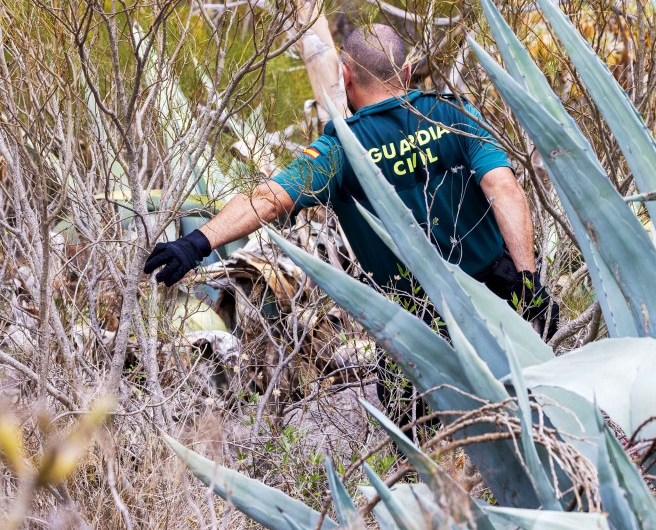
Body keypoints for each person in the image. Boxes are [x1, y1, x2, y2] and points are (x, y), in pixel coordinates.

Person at [144, 24, 558, 426]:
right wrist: (526, 279)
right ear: (409, 72)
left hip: (415, 327)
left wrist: (197, 241)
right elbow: (502, 185)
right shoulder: (453, 113)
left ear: (345, 76)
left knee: (419, 439)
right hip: (496, 307)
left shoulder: (340, 149)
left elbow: (270, 200)